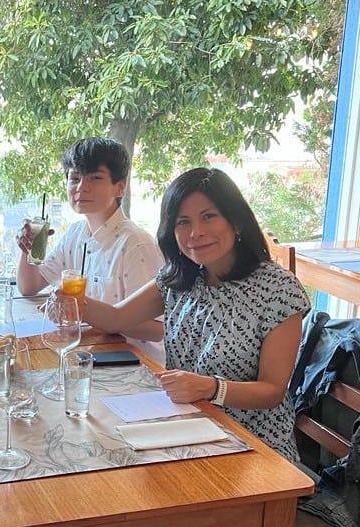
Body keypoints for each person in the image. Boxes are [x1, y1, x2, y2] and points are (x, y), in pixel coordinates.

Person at [83, 167, 310, 462]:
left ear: (237, 222)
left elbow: (272, 391)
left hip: (253, 446)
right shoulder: (179, 278)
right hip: (185, 429)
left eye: (209, 217)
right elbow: (116, 318)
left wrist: (212, 388)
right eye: (183, 222)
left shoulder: (278, 289)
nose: (196, 233)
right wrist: (70, 299)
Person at [16, 137, 165, 362]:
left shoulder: (135, 244)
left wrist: (81, 310)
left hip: (133, 363)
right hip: (88, 352)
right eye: (74, 178)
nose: (81, 187)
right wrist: (28, 249)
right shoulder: (76, 234)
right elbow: (29, 286)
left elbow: (158, 329)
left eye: (95, 178)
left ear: (120, 187)